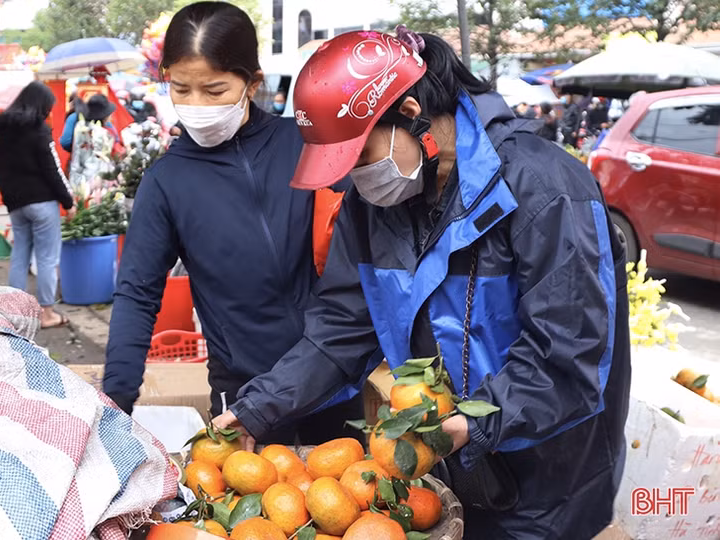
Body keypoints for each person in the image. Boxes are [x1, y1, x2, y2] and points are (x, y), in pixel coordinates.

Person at [215, 27, 631, 539]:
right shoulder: (372, 210)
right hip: (448, 462)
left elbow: (571, 354)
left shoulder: (544, 190)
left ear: (411, 114)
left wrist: (471, 425)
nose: (355, 180)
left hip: (547, 476)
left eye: (361, 158)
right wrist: (259, 408)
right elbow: (341, 332)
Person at [102, 2, 367, 445]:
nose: (196, 104)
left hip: (331, 380)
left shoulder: (304, 145)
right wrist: (116, 403)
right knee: (252, 510)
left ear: (252, 82)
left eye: (215, 90)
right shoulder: (167, 181)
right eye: (181, 89)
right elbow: (137, 293)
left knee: (344, 504)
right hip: (241, 399)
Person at [0, 81, 76, 329]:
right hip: (42, 203)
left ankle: (13, 312)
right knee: (46, 258)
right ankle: (46, 314)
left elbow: (2, 169)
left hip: (16, 203)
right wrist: (68, 201)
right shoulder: (39, 130)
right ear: (41, 105)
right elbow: (52, 169)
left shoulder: (1, 130)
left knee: (20, 255)